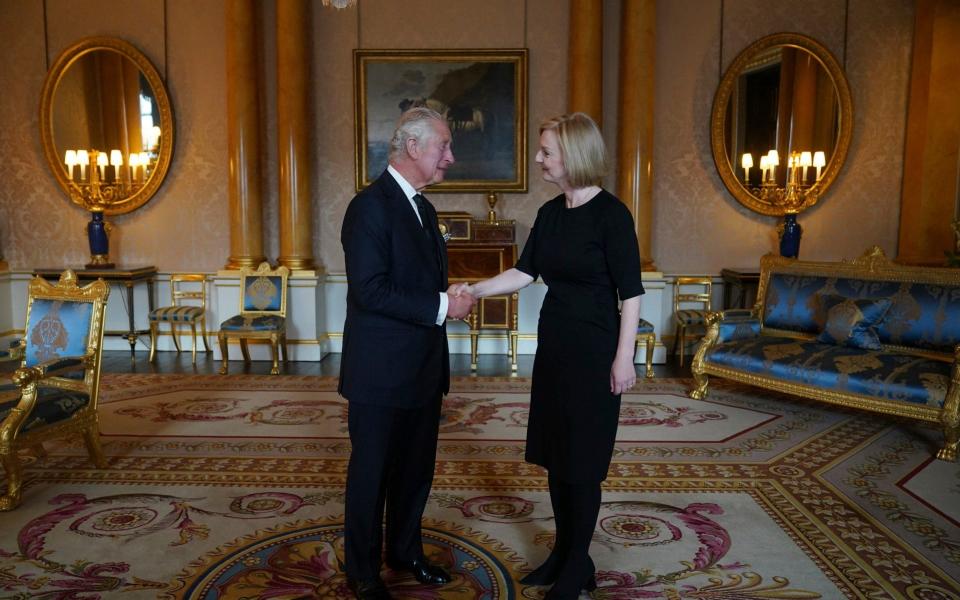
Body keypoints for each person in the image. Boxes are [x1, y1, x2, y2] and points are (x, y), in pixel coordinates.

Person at [452, 112, 643, 599]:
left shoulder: (613, 215)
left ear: (572, 156)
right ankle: (564, 552)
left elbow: (633, 293)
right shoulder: (552, 213)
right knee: (558, 455)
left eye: (546, 152)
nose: (539, 159)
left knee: (583, 460)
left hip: (597, 349)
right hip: (555, 347)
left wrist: (625, 358)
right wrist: (471, 290)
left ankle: (579, 563)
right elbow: (524, 272)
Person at [339, 106, 476, 600]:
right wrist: (444, 304)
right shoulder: (369, 207)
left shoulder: (425, 207)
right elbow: (370, 291)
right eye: (444, 147)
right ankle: (362, 571)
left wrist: (448, 297)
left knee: (416, 471)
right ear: (413, 147)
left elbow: (417, 284)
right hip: (379, 373)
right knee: (372, 473)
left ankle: (404, 551)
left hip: (421, 368)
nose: (451, 158)